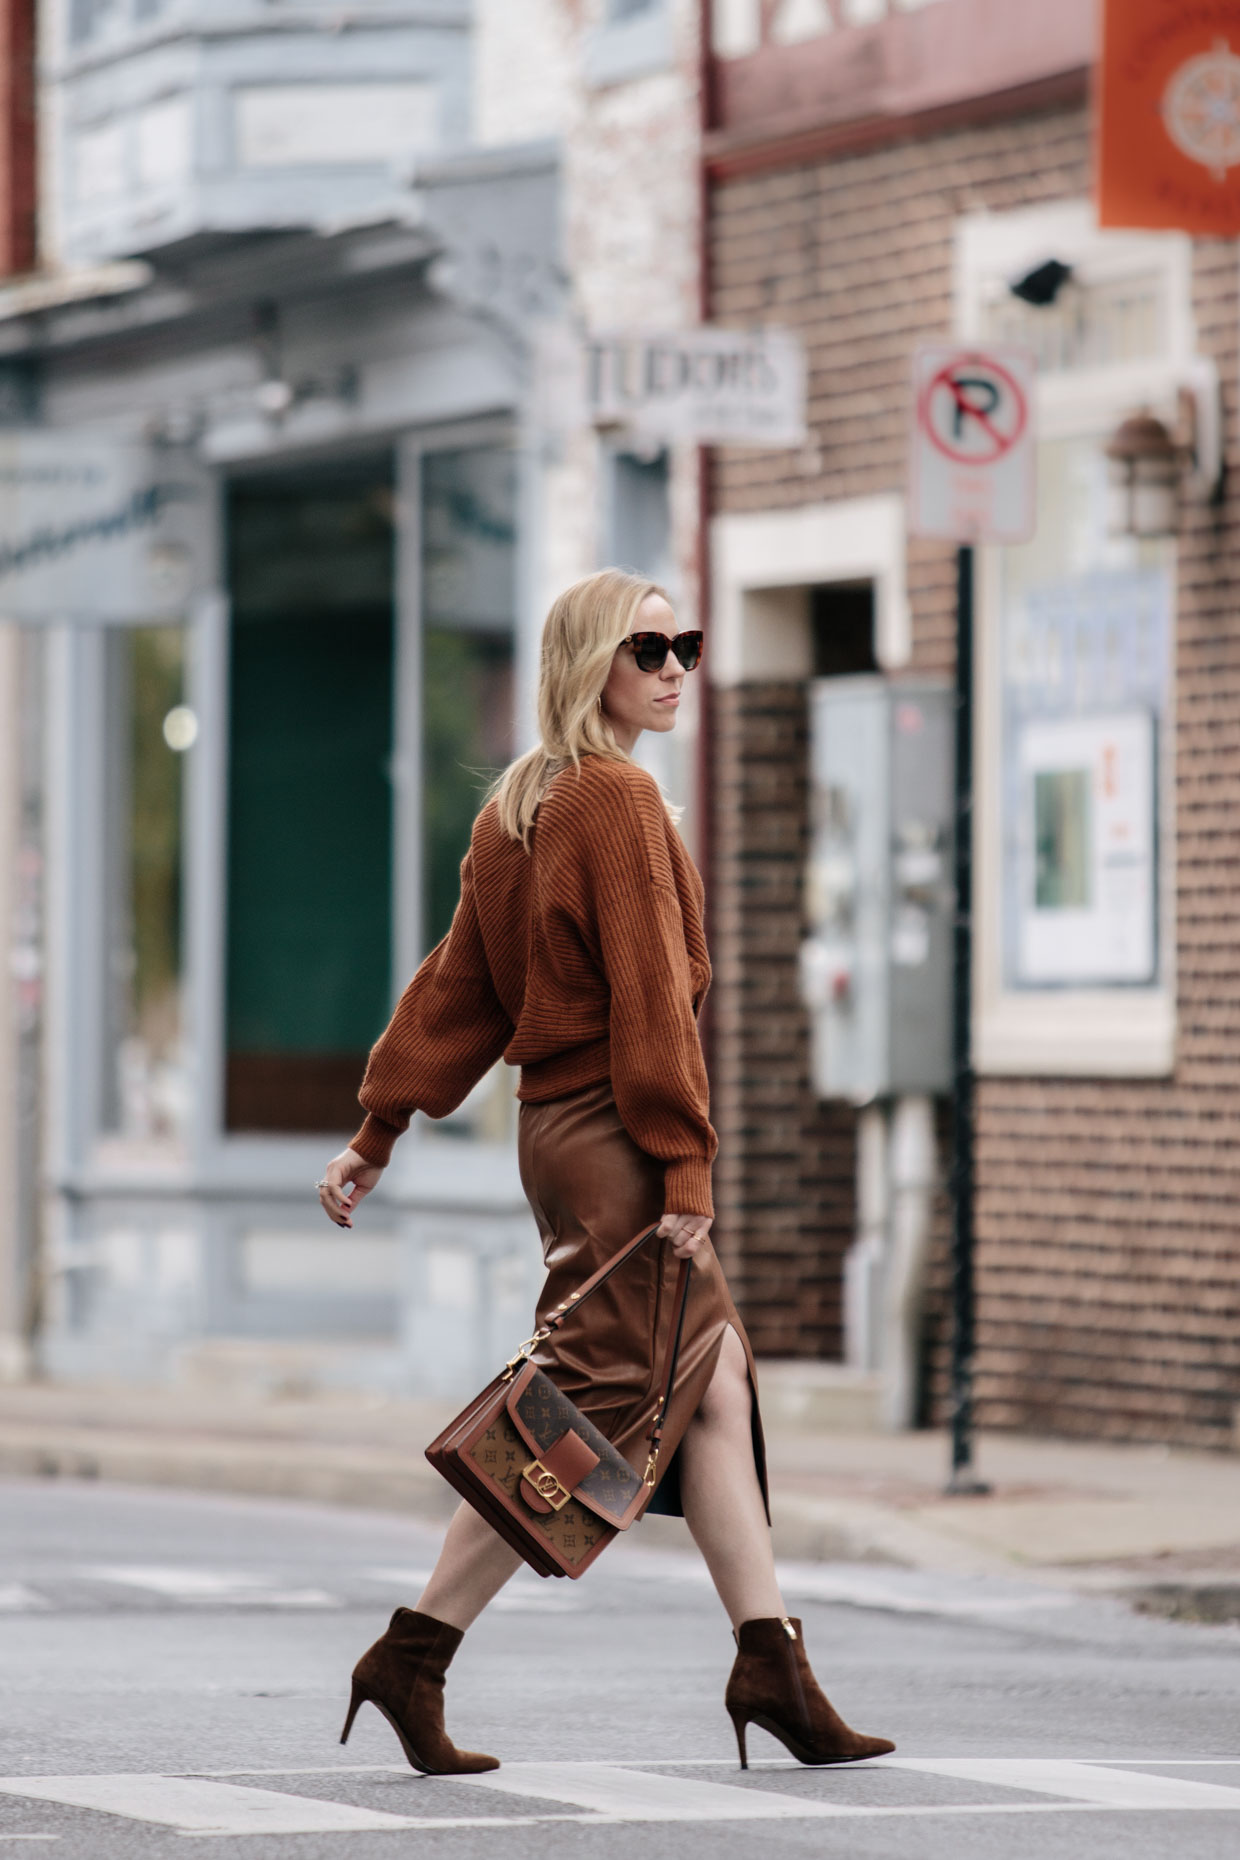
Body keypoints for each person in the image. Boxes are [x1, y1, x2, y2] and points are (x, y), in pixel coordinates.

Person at [317, 567, 894, 1776]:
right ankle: (412, 1653)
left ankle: (771, 1665)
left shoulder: (518, 806)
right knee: (583, 1410)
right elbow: (649, 1007)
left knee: (716, 1378)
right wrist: (686, 1164)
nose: (676, 665)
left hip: (560, 1133)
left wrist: (379, 1132)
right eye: (648, 649)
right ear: (593, 665)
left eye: (684, 643)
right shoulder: (615, 801)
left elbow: (450, 996)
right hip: (622, 1138)